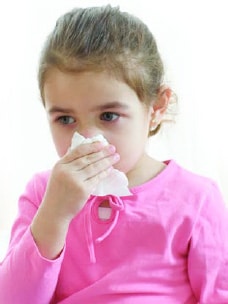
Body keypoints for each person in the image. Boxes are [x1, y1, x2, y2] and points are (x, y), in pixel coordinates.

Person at [0, 5, 227, 304]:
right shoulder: (43, 195)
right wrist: (54, 215)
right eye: (65, 120)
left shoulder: (196, 200)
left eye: (108, 116)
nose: (89, 139)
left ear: (156, 107)